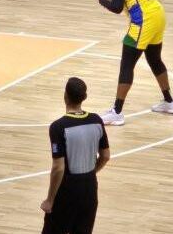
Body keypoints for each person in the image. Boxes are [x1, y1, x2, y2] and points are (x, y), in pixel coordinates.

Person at [94, 0, 173, 126]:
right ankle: (169, 102)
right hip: (158, 14)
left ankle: (116, 112)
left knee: (127, 65)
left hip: (144, 21)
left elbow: (116, 7)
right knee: (154, 59)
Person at [40, 77, 110, 234]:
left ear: (65, 96)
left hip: (67, 190)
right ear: (84, 97)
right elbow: (105, 156)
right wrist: (91, 172)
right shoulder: (96, 120)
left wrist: (50, 200)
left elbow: (58, 168)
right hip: (90, 187)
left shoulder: (58, 127)